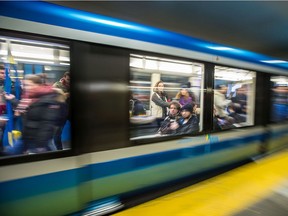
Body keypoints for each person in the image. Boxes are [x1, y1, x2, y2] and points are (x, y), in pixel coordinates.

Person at [5, 74, 65, 154]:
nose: (26, 87)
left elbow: (47, 123)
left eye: (29, 85)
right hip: (27, 135)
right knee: (10, 152)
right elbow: (25, 107)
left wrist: (40, 145)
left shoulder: (48, 99)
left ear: (38, 85)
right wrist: (12, 99)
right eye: (24, 85)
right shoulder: (30, 97)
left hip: (39, 139)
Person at [52, 71, 70, 150]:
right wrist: (64, 95)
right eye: (68, 79)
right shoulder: (57, 85)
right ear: (64, 77)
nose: (70, 81)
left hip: (71, 110)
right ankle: (59, 150)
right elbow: (53, 98)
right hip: (61, 112)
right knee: (57, 132)